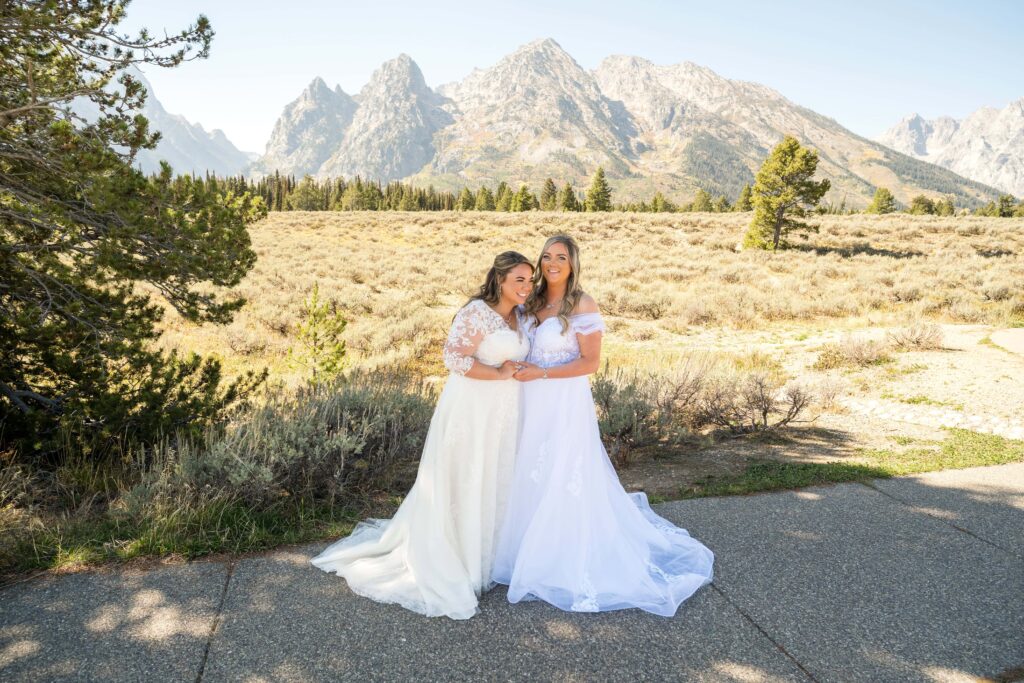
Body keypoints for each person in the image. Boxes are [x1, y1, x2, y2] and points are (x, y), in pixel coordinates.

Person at [493, 235, 714, 616]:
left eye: (560, 257)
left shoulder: (582, 303)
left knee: (564, 470)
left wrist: (542, 373)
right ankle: (524, 545)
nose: (552, 263)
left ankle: (562, 552)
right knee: (529, 468)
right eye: (546, 256)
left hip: (562, 399)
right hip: (529, 399)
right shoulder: (530, 300)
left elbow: (589, 363)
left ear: (573, 263)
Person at [311, 251, 534, 620]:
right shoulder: (476, 313)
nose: (525, 287)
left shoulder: (520, 315)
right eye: (518, 280)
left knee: (494, 474)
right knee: (464, 474)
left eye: (529, 281)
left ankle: (486, 553)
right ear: (499, 280)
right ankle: (453, 553)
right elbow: (454, 358)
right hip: (473, 407)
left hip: (504, 411)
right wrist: (498, 374)